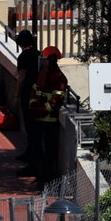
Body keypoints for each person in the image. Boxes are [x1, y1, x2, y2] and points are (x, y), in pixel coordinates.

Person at [29, 46, 68, 180]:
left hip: (50, 122)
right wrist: (33, 106)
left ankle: (47, 177)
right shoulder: (43, 75)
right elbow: (34, 91)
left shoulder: (60, 79)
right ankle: (37, 171)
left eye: (45, 59)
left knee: (49, 151)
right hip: (38, 119)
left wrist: (40, 111)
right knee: (36, 147)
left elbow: (54, 101)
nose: (43, 62)